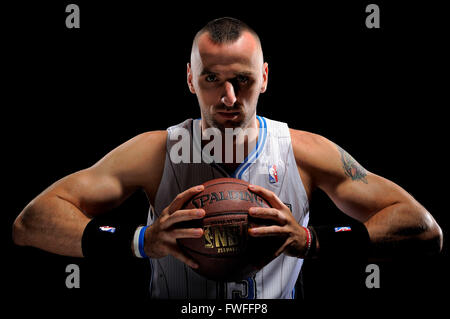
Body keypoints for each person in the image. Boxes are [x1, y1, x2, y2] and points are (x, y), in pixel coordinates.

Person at [12, 17, 443, 299]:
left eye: (242, 80)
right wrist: (140, 241)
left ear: (266, 78)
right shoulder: (155, 152)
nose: (228, 97)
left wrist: (313, 241)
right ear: (190, 79)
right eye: (212, 79)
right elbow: (31, 223)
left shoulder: (305, 153)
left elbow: (423, 228)